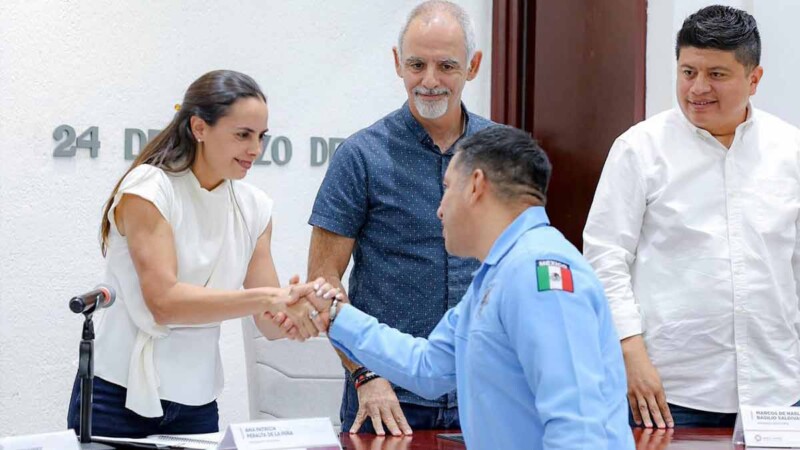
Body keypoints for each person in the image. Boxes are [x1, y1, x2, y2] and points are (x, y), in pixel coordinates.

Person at [304, 126, 634, 450]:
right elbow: (427, 366)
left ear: (476, 185)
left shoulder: (540, 271)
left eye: (446, 188)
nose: (440, 209)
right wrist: (334, 315)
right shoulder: (496, 276)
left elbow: (577, 427)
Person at [67, 70, 326, 438]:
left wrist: (297, 313)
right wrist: (271, 297)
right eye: (243, 135)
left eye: (261, 137)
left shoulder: (255, 208)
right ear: (199, 128)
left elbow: (267, 322)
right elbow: (165, 303)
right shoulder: (149, 189)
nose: (255, 149)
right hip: (116, 397)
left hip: (197, 403)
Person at [584, 5, 800, 429]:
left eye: (716, 74)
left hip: (777, 392)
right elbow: (604, 259)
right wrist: (630, 353)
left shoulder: (790, 152)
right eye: (688, 72)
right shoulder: (639, 149)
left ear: (754, 79)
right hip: (668, 393)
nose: (698, 88)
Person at [307, 0, 494, 436]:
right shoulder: (360, 156)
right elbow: (322, 282)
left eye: (446, 65)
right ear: (397, 63)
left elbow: (520, 266)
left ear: (473, 66)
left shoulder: (500, 154)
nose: (429, 81)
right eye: (416, 64)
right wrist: (365, 375)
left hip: (482, 394)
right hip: (385, 402)